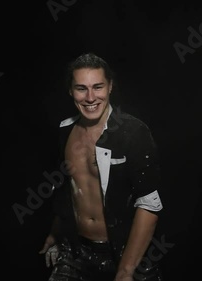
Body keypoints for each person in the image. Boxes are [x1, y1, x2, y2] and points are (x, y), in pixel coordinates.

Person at [39, 52, 166, 281]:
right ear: (70, 90)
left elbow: (149, 204)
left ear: (110, 87)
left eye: (97, 87)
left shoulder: (134, 133)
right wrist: (55, 233)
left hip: (126, 250)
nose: (90, 97)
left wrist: (126, 270)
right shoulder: (64, 130)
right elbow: (68, 188)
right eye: (81, 88)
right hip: (77, 249)